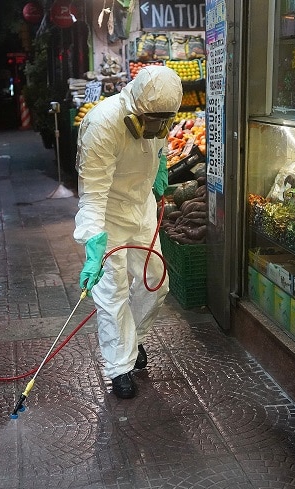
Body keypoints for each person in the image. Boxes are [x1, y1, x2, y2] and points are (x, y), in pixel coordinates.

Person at [74, 65, 183, 399]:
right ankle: (119, 366)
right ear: (136, 108)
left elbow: (161, 149)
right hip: (108, 216)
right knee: (113, 292)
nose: (158, 129)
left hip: (143, 208)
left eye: (165, 122)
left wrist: (161, 166)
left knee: (157, 283)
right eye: (152, 122)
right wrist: (93, 240)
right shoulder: (102, 124)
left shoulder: (161, 117)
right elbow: (91, 193)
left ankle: (131, 341)